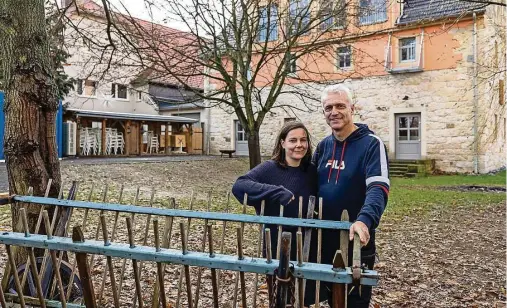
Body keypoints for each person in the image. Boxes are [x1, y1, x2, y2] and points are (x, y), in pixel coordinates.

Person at [313, 84, 390, 307]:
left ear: (352, 108)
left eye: (340, 106)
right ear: (323, 112)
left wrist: (364, 221)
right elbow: (306, 185)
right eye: (328, 107)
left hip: (355, 238)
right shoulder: (323, 146)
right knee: (329, 297)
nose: (334, 111)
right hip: (324, 237)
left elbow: (379, 188)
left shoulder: (371, 144)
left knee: (355, 300)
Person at [231, 120, 317, 305]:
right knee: (279, 299)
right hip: (277, 245)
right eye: (293, 140)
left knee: (303, 299)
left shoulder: (311, 171)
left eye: (303, 140)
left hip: (307, 246)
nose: (299, 145)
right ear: (283, 143)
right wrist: (277, 192)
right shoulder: (270, 168)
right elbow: (240, 185)